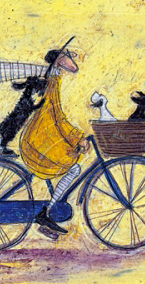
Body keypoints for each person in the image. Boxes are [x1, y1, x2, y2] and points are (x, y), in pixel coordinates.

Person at [18, 36, 91, 238]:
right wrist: (77, 137)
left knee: (72, 166)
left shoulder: (53, 79)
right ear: (59, 60)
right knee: (74, 168)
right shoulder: (52, 82)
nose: (70, 62)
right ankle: (47, 212)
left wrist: (75, 137)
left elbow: (56, 117)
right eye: (66, 57)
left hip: (43, 137)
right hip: (41, 141)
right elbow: (56, 117)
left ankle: (48, 216)